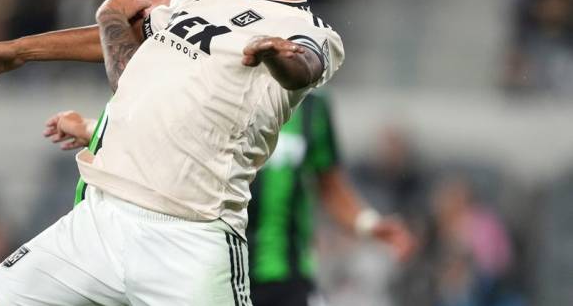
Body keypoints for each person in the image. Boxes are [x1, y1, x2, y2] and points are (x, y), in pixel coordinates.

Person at [0, 0, 352, 305]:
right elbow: (128, 35)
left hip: (190, 243)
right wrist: (18, 51)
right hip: (99, 222)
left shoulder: (310, 31)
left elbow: (304, 65)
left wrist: (277, 55)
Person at [47, 92, 415, 306]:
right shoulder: (211, 94)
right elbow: (152, 140)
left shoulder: (312, 106)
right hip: (208, 274)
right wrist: (95, 129)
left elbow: (329, 182)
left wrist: (368, 223)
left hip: (285, 276)